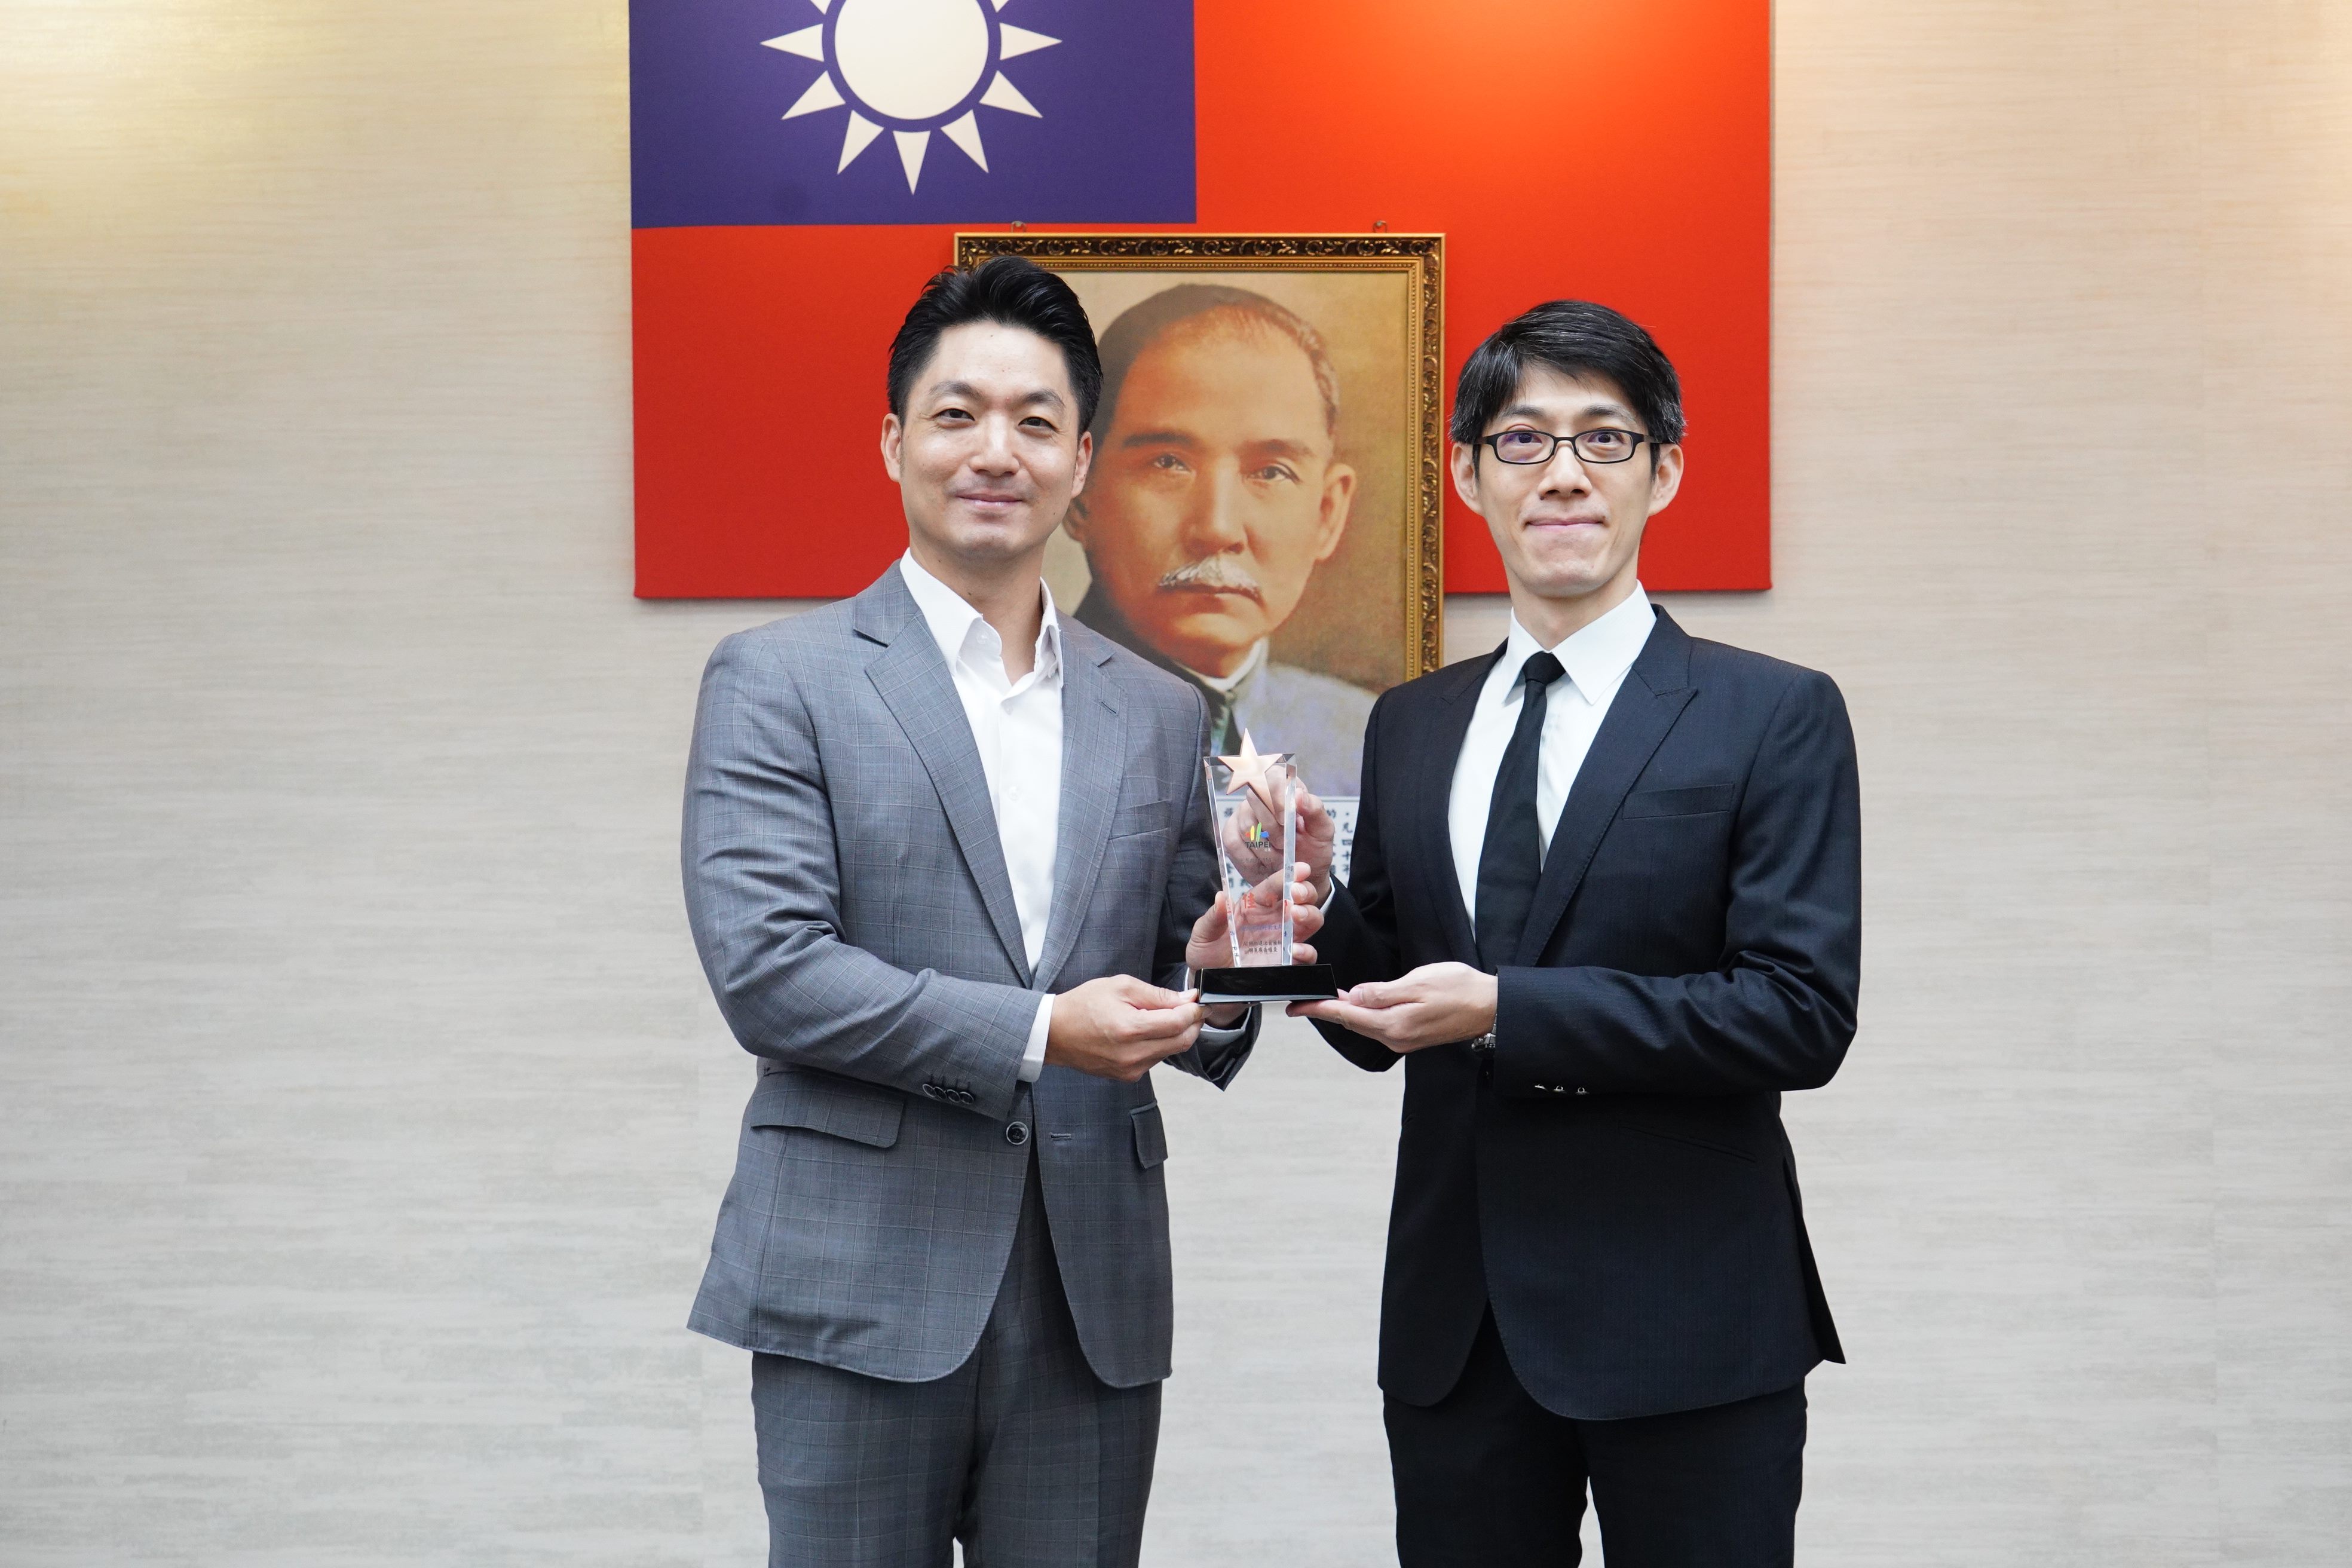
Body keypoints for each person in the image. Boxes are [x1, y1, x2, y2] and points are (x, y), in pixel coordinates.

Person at [680, 255, 1321, 1567]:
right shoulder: (779, 679)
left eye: (1035, 421)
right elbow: (773, 976)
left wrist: (1217, 978)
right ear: (893, 441)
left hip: (1092, 1295)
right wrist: (1041, 1033)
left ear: (1078, 462)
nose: (995, 451)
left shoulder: (1162, 708)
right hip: (858, 1285)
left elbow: (1190, 999)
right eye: (956, 413)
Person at [1290, 300, 1861, 1567]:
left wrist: (1510, 1009)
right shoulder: (1412, 722)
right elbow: (1383, 1014)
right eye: (1523, 439)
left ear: (1667, 470)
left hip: (1691, 1320)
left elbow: (1799, 1012)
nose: (1561, 473)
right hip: (1457, 1325)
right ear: (1467, 474)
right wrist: (1301, 913)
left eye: (1604, 439)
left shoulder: (1771, 714)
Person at [1065, 284, 1375, 795]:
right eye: (1168, 464)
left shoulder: (1367, 744)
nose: (1218, 529)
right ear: (1079, 494)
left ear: (1327, 513)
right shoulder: (1009, 722)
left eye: (1271, 472)